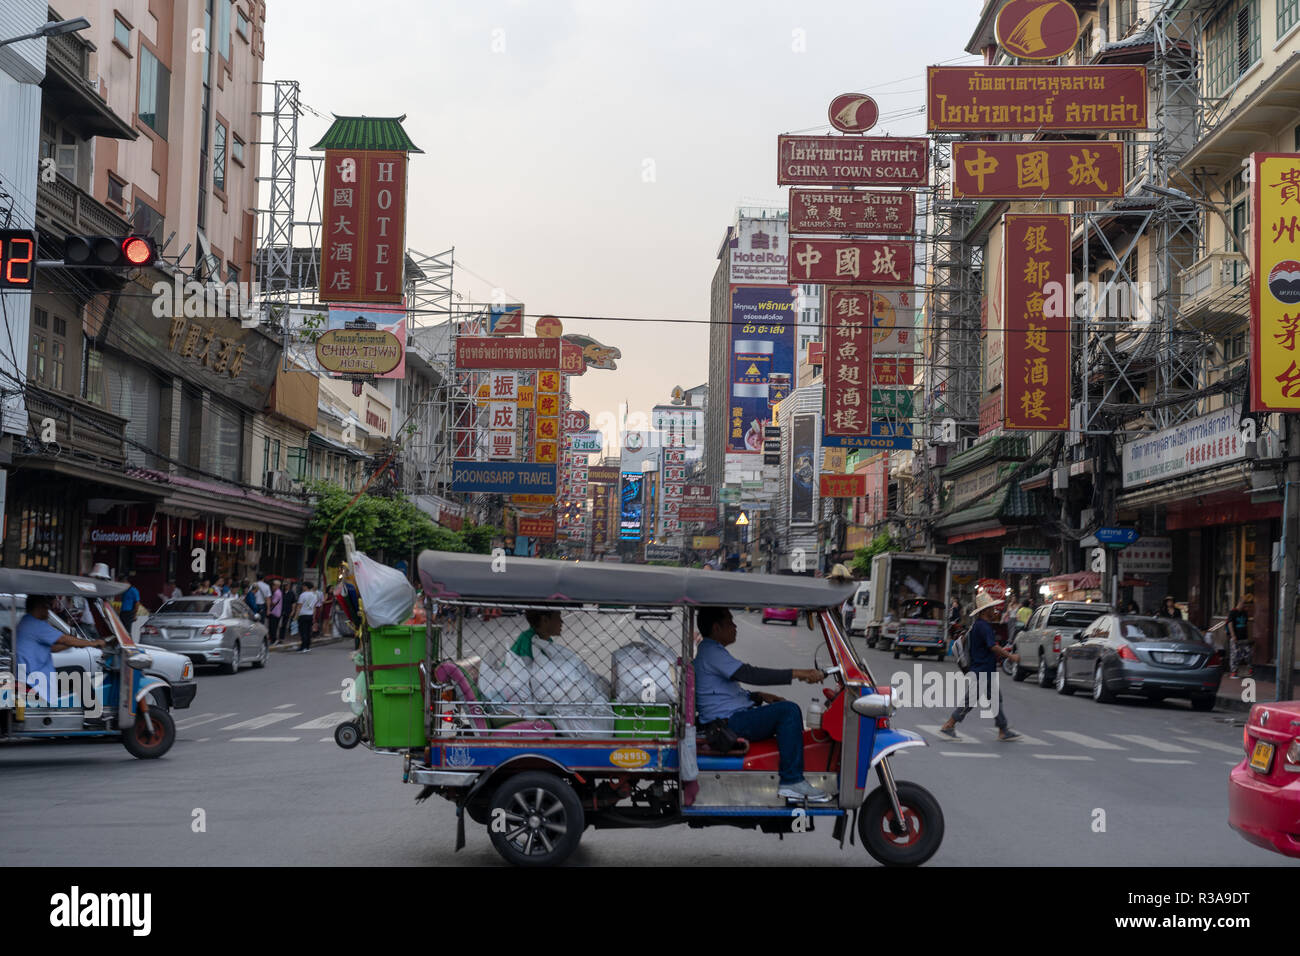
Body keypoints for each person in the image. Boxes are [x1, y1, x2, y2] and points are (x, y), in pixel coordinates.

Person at [693, 606, 831, 803]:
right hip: (728, 723)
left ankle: (796, 775)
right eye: (730, 622)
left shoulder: (712, 651)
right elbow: (750, 674)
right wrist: (800, 673)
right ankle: (792, 781)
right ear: (716, 628)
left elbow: (725, 692)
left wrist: (759, 696)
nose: (735, 626)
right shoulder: (711, 652)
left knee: (783, 710)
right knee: (788, 711)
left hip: (731, 716)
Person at [939, 592, 1022, 742]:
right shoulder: (984, 627)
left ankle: (1003, 730)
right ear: (985, 611)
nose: (994, 611)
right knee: (970, 701)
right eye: (991, 608)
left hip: (984, 670)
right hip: (981, 670)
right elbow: (993, 647)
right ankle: (948, 725)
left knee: (995, 699)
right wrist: (1011, 657)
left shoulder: (978, 625)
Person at [16, 594, 106, 702]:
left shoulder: (26, 622)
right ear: (39, 607)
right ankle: (93, 715)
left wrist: (75, 643)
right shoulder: (36, 624)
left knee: (75, 674)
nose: (48, 612)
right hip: (35, 677)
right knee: (78, 673)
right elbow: (63, 639)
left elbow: (53, 647)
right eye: (46, 608)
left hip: (33, 673)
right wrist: (93, 643)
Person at [1227, 595, 1253, 679]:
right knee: (1235, 655)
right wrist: (1233, 635)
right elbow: (1230, 624)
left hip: (1244, 637)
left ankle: (1249, 670)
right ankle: (1233, 672)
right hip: (1236, 638)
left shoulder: (1244, 613)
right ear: (1240, 602)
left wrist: (1249, 636)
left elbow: (1247, 624)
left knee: (1248, 654)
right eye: (1244, 603)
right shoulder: (1233, 612)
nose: (1245, 605)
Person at [292, 582, 319, 652]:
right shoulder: (314, 595)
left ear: (306, 587)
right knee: (308, 631)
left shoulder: (303, 595)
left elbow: (299, 606)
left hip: (303, 614)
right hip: (310, 615)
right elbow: (314, 607)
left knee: (303, 631)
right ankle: (307, 646)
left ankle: (303, 647)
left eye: (303, 586)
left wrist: (296, 616)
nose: (302, 587)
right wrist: (314, 616)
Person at [267, 579, 284, 646]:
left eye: (273, 585)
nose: (272, 586)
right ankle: (273, 639)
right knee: (273, 627)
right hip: (277, 612)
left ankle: (273, 640)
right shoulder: (278, 592)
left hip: (274, 612)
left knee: (273, 627)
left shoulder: (277, 593)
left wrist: (268, 601)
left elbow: (273, 603)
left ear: (277, 586)